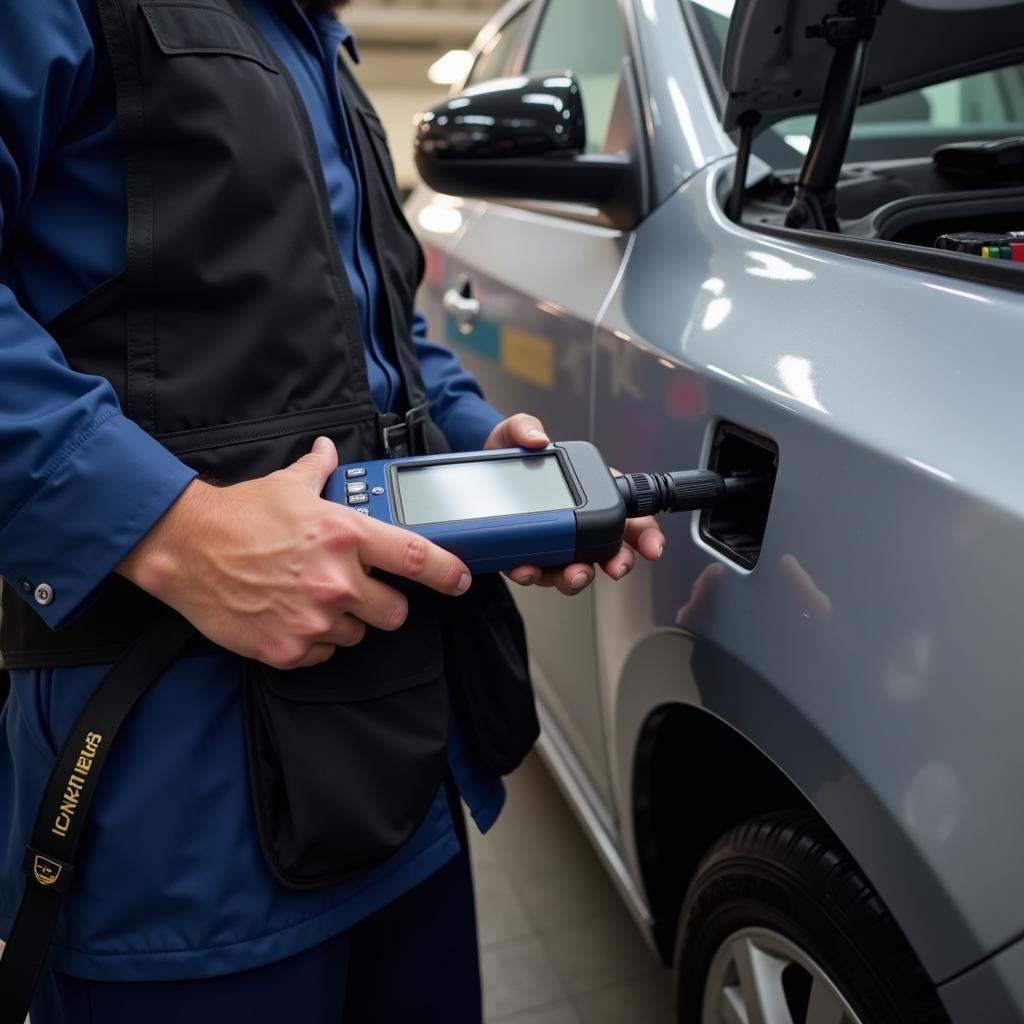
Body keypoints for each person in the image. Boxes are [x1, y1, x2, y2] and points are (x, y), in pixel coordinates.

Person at [0, 0, 666, 1021]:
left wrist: (473, 445)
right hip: (182, 825)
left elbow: (384, 332)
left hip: (400, 775)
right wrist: (169, 529)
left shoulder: (315, 41)